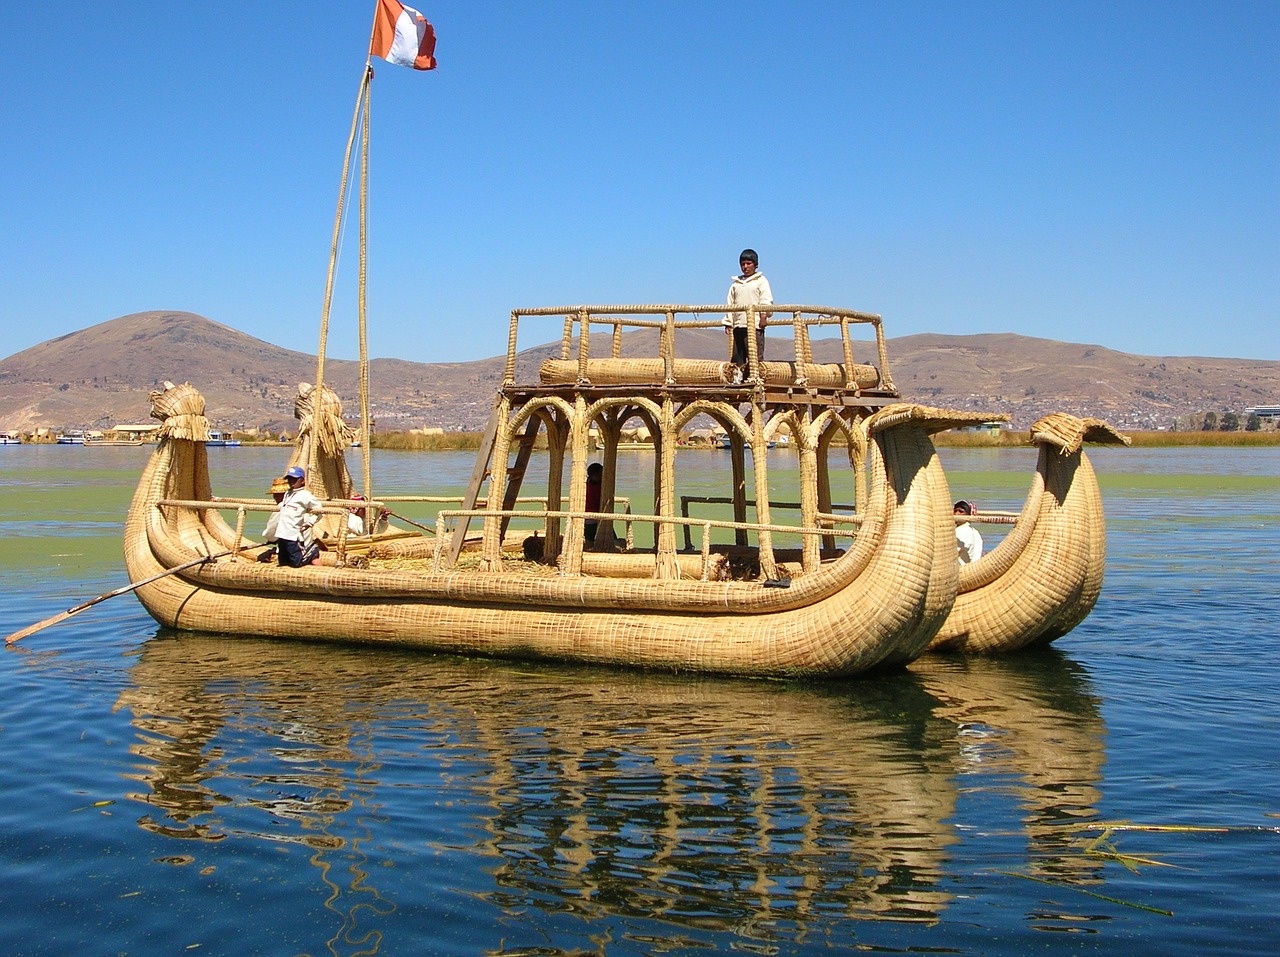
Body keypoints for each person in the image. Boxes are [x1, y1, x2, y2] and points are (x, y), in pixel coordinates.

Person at [723, 248, 773, 383]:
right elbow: (730, 303)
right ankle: (737, 380)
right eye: (743, 264)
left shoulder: (761, 281)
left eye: (748, 264)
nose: (745, 267)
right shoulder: (736, 284)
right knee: (738, 355)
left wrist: (764, 316)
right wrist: (728, 322)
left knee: (754, 354)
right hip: (739, 324)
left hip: (754, 325)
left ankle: (754, 379)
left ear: (755, 264)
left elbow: (766, 299)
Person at [274, 465, 323, 567]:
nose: (292, 481)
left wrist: (310, 522)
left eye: (295, 479)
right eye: (290, 479)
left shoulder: (306, 495)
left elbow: (319, 510)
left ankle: (313, 551)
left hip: (293, 535)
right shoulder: (287, 494)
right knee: (283, 562)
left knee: (296, 563)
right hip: (282, 534)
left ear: (302, 481)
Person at [256, 475, 290, 562]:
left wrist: (270, 539)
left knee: (261, 558)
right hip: (302, 543)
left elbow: (272, 528)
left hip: (287, 547)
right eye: (274, 494)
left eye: (277, 495)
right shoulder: (299, 501)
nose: (275, 497)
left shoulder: (280, 507)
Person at [954, 500, 983, 565]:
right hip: (972, 567)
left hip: (962, 569)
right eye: (955, 511)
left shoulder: (960, 531)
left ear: (968, 515)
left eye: (961, 511)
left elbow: (951, 554)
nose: (957, 514)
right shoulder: (975, 532)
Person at [583, 462, 603, 547]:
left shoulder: (586, 484)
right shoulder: (597, 487)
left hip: (589, 519)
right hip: (593, 519)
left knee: (589, 542)